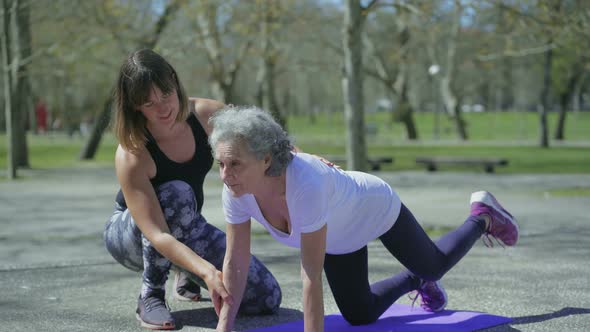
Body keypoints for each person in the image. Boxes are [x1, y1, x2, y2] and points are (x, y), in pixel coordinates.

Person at [208, 106, 519, 332]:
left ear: (266, 160)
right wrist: (225, 326)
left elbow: (310, 276)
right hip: (339, 237)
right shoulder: (236, 190)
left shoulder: (305, 184)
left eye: (234, 163)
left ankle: (482, 216)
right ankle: (416, 280)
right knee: (360, 315)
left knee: (434, 265)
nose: (225, 175)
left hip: (373, 208)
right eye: (220, 163)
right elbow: (236, 260)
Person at [103, 49, 281, 330]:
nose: (163, 108)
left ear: (174, 81)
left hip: (187, 225)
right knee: (176, 193)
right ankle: (151, 293)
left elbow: (261, 136)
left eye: (165, 95)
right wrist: (207, 271)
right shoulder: (132, 153)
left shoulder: (206, 114)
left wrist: (301, 157)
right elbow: (158, 233)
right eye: (149, 103)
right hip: (132, 237)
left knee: (266, 297)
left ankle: (182, 269)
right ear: (135, 106)